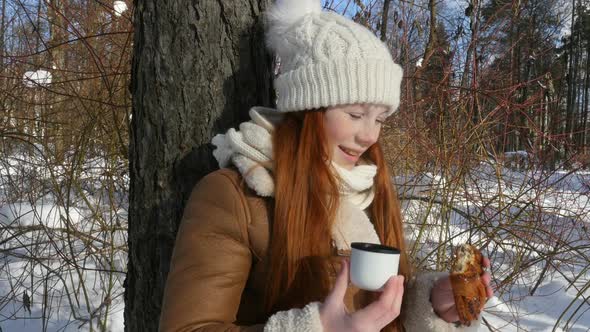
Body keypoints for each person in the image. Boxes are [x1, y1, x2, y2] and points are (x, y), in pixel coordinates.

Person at [159, 0, 493, 331]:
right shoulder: (234, 197)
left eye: (379, 119)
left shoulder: (367, 189)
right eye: (355, 115)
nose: (369, 137)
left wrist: (433, 304)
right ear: (309, 109)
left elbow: (370, 309)